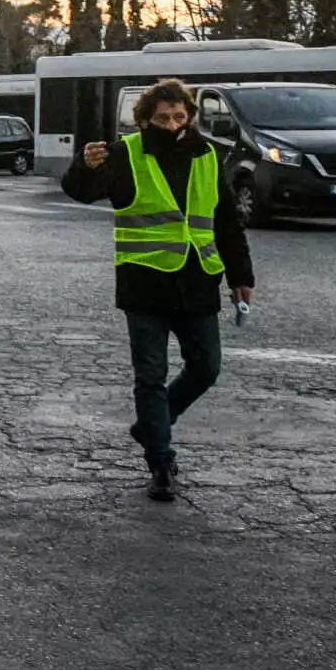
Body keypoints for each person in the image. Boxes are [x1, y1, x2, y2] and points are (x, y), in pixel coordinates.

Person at [62, 77, 255, 501]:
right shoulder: (125, 154)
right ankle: (161, 463)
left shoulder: (207, 155)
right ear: (146, 119)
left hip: (198, 279)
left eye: (179, 116)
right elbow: (83, 192)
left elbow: (225, 221)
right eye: (163, 117)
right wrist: (85, 166)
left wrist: (242, 277)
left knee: (207, 368)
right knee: (150, 376)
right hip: (145, 282)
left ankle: (151, 425)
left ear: (190, 117)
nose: (172, 124)